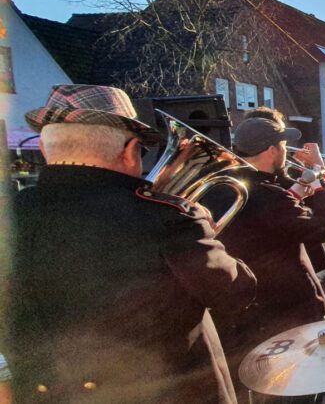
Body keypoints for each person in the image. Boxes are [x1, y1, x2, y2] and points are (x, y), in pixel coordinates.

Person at [9, 84, 256, 403]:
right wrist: (203, 232)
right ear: (130, 150)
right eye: (142, 152)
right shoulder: (168, 218)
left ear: (45, 150)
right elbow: (234, 293)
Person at [206, 117, 325, 374]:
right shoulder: (269, 196)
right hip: (285, 312)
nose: (287, 150)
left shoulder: (221, 188)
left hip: (245, 310)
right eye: (283, 144)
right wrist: (320, 185)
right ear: (271, 150)